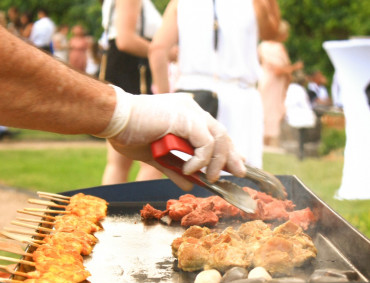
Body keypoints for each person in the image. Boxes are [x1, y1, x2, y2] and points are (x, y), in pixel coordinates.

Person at [0, 25, 247, 190]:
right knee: (138, 164)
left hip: (123, 87)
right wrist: (126, 112)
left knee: (135, 160)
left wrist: (123, 114)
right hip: (130, 79)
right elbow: (145, 45)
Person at [149, 0, 281, 170]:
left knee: (191, 178)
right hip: (239, 97)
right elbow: (271, 33)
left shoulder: (180, 3)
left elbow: (158, 50)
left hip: (193, 96)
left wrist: (167, 101)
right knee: (243, 180)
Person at [101, 0, 165, 185]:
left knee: (118, 161)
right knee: (154, 161)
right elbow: (125, 40)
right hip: (135, 77)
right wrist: (166, 52)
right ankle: (137, 211)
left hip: (121, 74)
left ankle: (109, 210)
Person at [258, 20, 304, 147]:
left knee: (273, 112)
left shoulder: (265, 46)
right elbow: (278, 70)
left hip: (275, 85)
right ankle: (268, 144)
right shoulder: (270, 47)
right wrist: (295, 67)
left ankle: (268, 143)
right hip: (271, 85)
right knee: (269, 112)